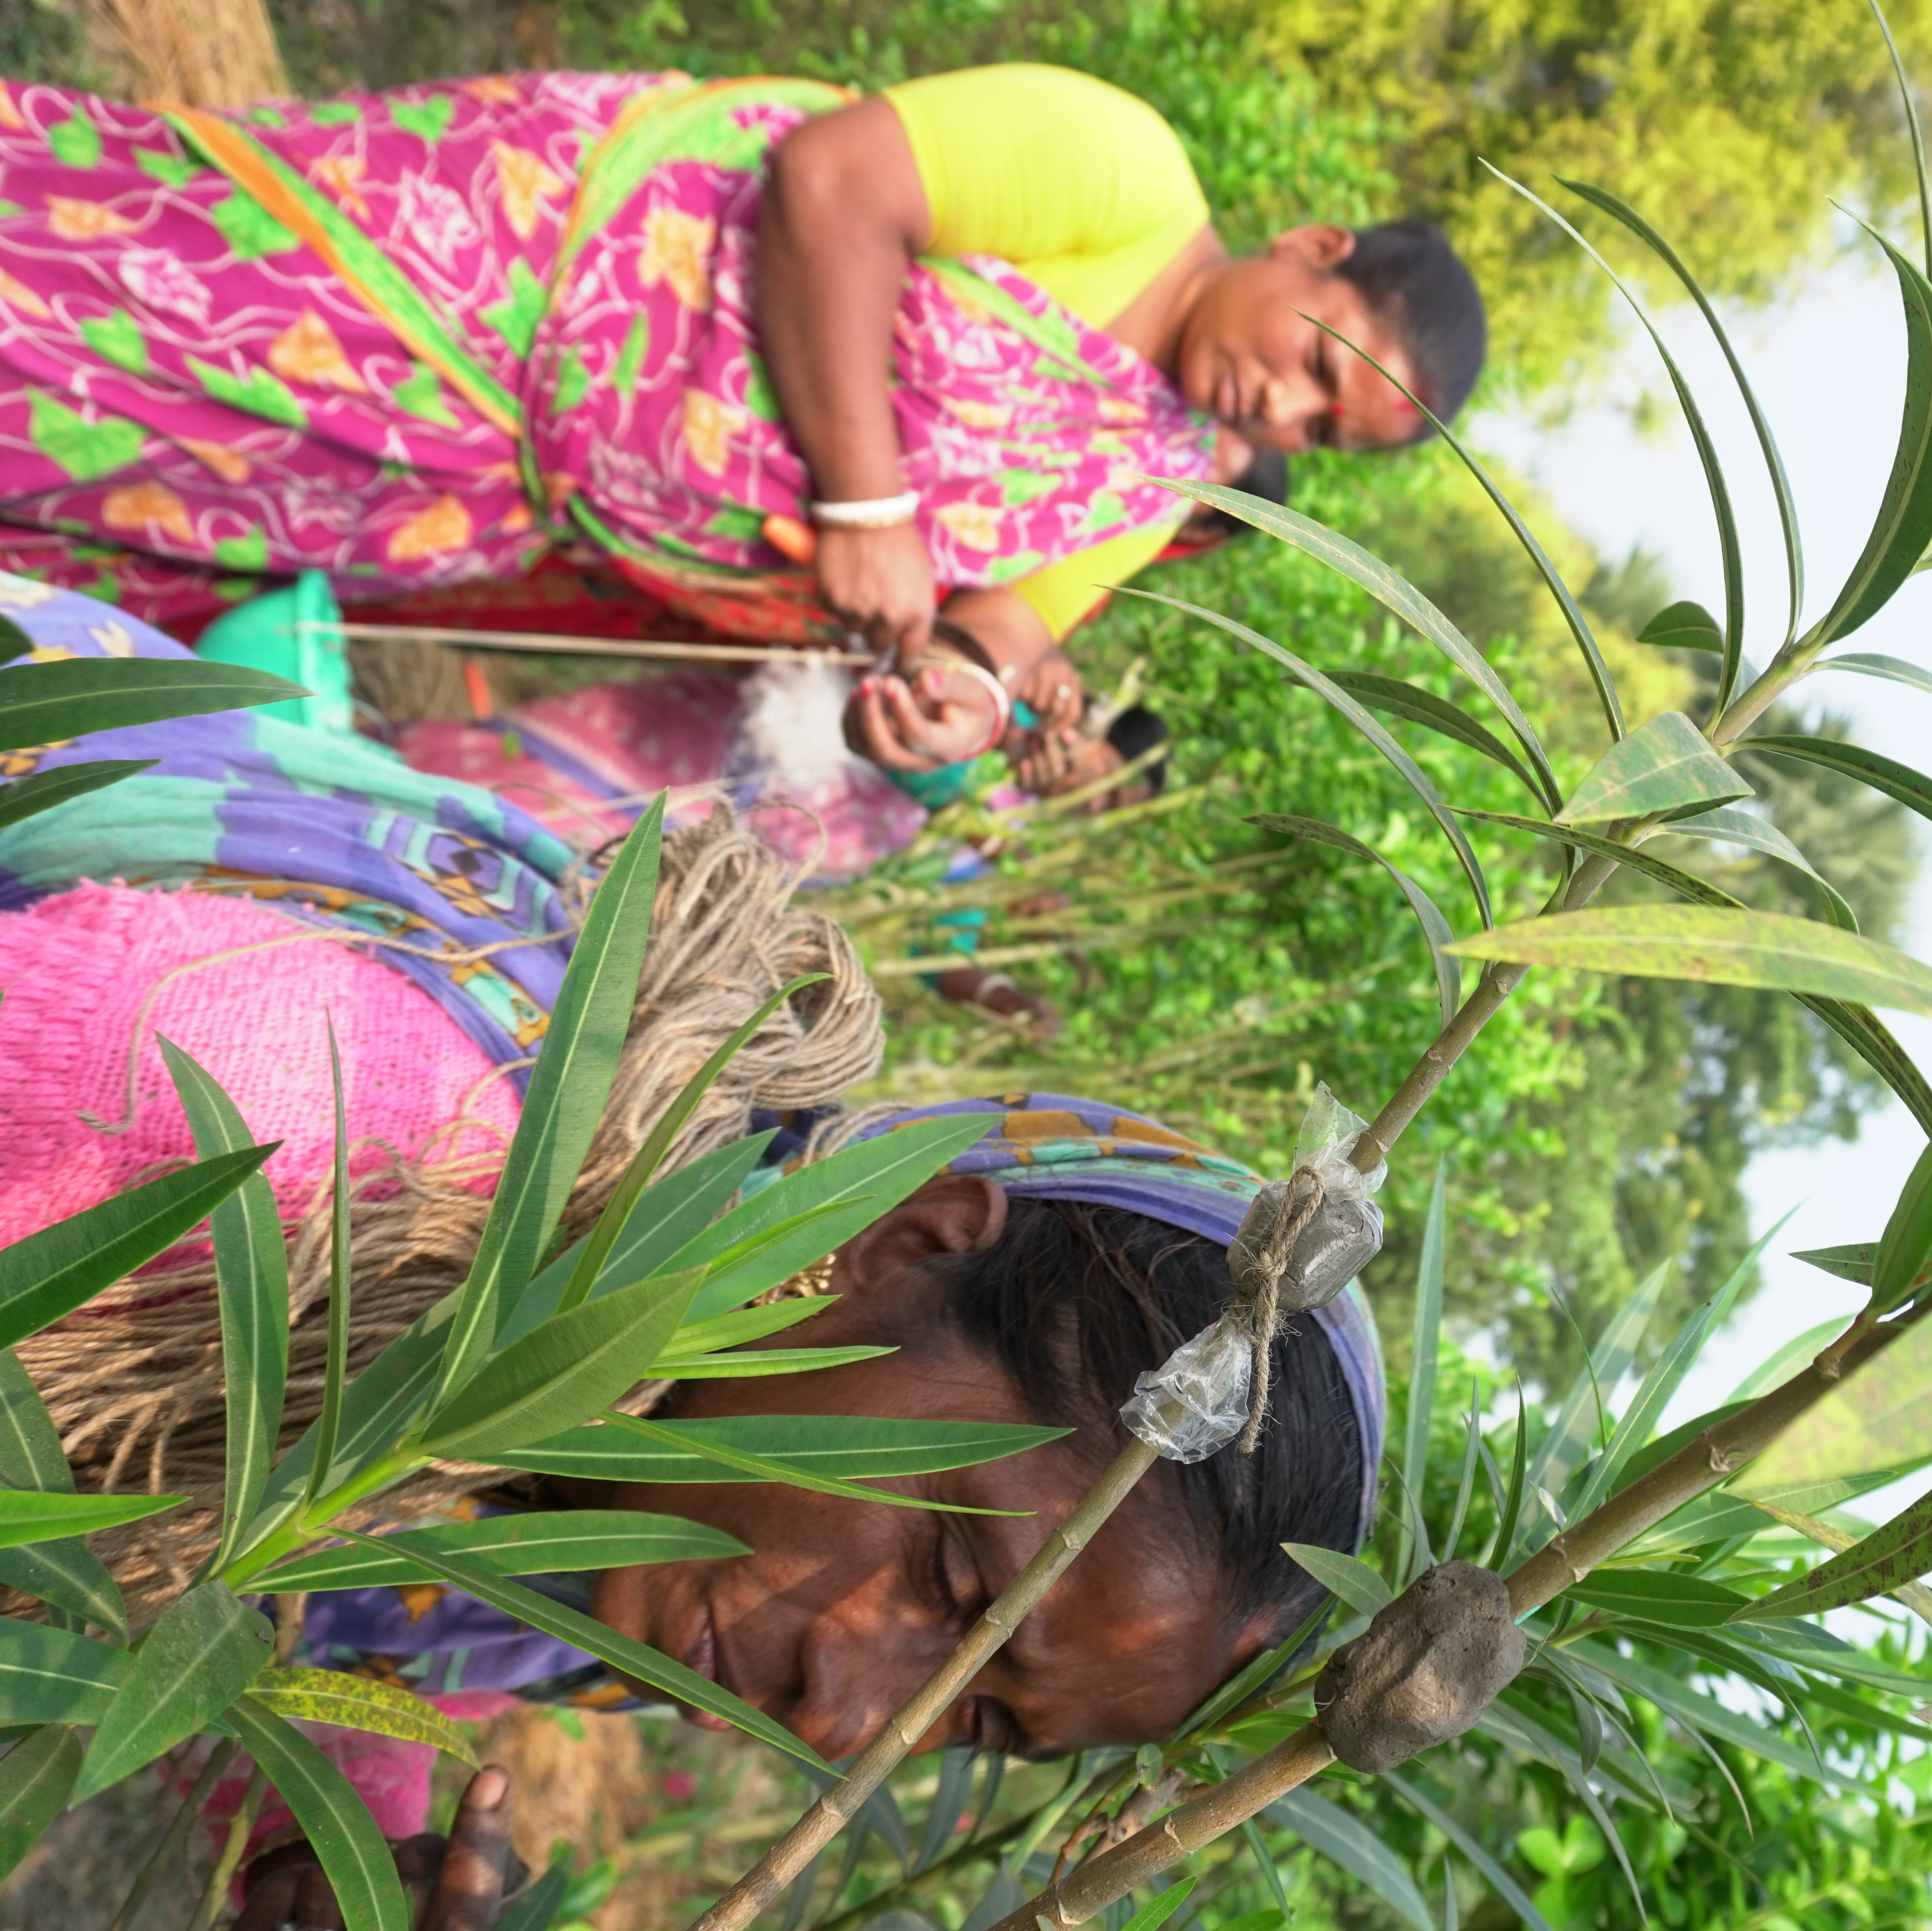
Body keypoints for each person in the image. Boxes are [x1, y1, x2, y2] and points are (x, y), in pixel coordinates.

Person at [1, 577, 1380, 1914]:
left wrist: (332, 1844)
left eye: (971, 1724)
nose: (837, 1725)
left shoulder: (630, 1488)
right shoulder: (340, 1140)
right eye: (954, 1585)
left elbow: (361, 1601)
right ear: (899, 1243)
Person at [0, 64, 1479, 771]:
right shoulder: (1130, 176)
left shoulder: (1147, 485)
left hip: (507, 488)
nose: (1285, 404)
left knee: (173, 485)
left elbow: (1007, 624)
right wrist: (867, 505)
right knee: (144, 282)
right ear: (1313, 250)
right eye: (1320, 362)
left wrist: (954, 701)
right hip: (499, 263)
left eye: (1322, 429)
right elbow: (837, 181)